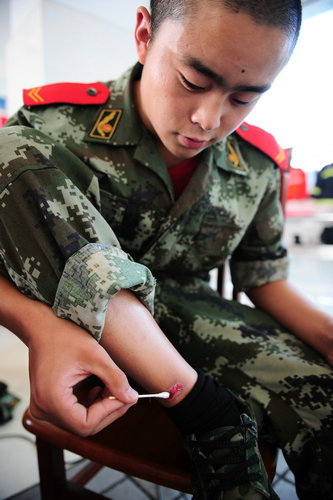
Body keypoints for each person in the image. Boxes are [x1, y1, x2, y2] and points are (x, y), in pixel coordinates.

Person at [0, 0, 332, 498]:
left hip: (195, 316)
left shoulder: (259, 164)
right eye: (193, 82)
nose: (208, 119)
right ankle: (209, 415)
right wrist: (37, 325)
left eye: (243, 98)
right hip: (86, 336)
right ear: (143, 34)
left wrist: (327, 333)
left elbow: (263, 274)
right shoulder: (50, 128)